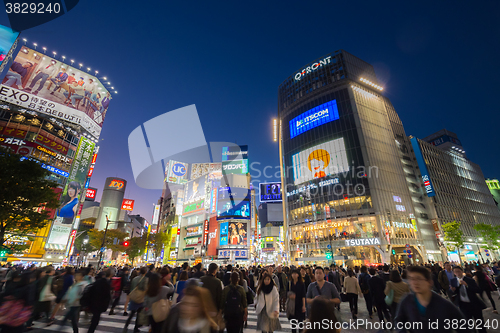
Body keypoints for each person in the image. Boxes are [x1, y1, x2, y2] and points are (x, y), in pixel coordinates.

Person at [395, 266, 466, 332]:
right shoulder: (407, 301)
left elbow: (463, 327)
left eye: (419, 279)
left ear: (429, 282)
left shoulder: (443, 305)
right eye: (411, 279)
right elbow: (399, 320)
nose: (414, 282)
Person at [451, 266, 487, 333]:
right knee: (469, 323)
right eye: (455, 272)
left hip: (474, 304)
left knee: (479, 322)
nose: (457, 273)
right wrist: (453, 290)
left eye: (458, 271)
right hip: (463, 305)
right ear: (454, 273)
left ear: (462, 271)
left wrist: (467, 285)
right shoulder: (453, 281)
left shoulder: (469, 280)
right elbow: (455, 293)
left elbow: (478, 290)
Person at [124, 266, 148, 333]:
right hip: (140, 298)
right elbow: (145, 289)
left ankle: (126, 326)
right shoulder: (145, 279)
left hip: (134, 297)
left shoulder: (135, 278)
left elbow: (132, 287)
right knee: (139, 314)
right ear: (145, 272)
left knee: (132, 314)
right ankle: (136, 328)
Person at [87, 269, 112, 333]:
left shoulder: (97, 282)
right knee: (95, 320)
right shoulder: (106, 284)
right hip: (100, 304)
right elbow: (107, 296)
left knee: (94, 318)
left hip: (93, 302)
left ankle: (90, 330)